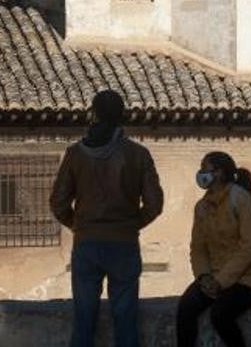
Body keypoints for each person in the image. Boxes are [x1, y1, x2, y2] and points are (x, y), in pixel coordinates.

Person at [50, 89, 163, 347]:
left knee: (84, 319)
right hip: (124, 244)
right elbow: (155, 204)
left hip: (86, 244)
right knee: (125, 319)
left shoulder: (75, 154)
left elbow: (58, 203)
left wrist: (79, 225)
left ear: (95, 114)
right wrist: (132, 224)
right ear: (122, 116)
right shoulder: (138, 154)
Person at [176, 152, 251, 347]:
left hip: (248, 278)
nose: (201, 173)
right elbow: (198, 247)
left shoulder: (241, 200)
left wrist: (221, 281)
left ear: (219, 173)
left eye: (205, 168)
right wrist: (203, 276)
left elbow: (249, 246)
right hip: (214, 278)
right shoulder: (201, 207)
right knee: (186, 308)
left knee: (220, 315)